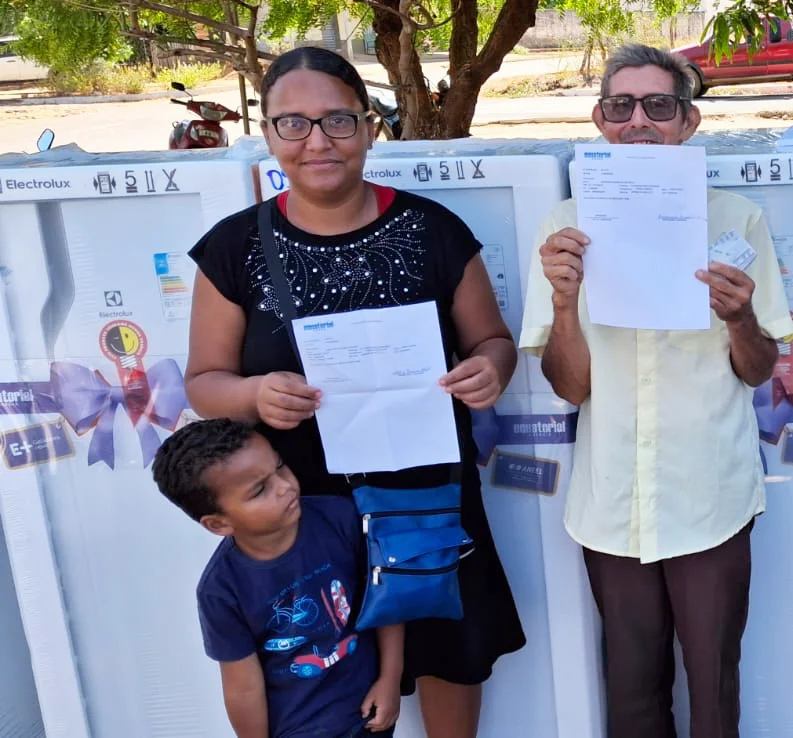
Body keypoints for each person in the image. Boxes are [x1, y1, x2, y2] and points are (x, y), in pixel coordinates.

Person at [183, 46, 525, 738]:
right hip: (304, 518)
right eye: (293, 124)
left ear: (369, 127)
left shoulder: (434, 231)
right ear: (269, 133)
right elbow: (203, 383)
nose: (317, 141)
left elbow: (493, 342)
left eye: (338, 120)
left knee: (446, 657)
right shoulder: (232, 248)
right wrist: (253, 396)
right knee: (331, 686)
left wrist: (490, 369)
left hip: (426, 498)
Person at [517, 43, 793, 738]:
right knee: (632, 692)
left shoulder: (737, 220)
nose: (638, 120)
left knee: (713, 684)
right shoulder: (564, 230)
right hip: (612, 501)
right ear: (600, 120)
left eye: (658, 106)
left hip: (709, 492)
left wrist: (737, 318)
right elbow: (570, 386)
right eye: (621, 106)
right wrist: (561, 305)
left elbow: (758, 370)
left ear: (688, 121)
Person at [152, 419, 402, 738]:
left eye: (280, 467)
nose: (285, 486)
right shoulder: (221, 591)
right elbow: (243, 688)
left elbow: (388, 600)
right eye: (260, 489)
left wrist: (390, 679)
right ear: (218, 524)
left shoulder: (341, 518)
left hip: (369, 714)